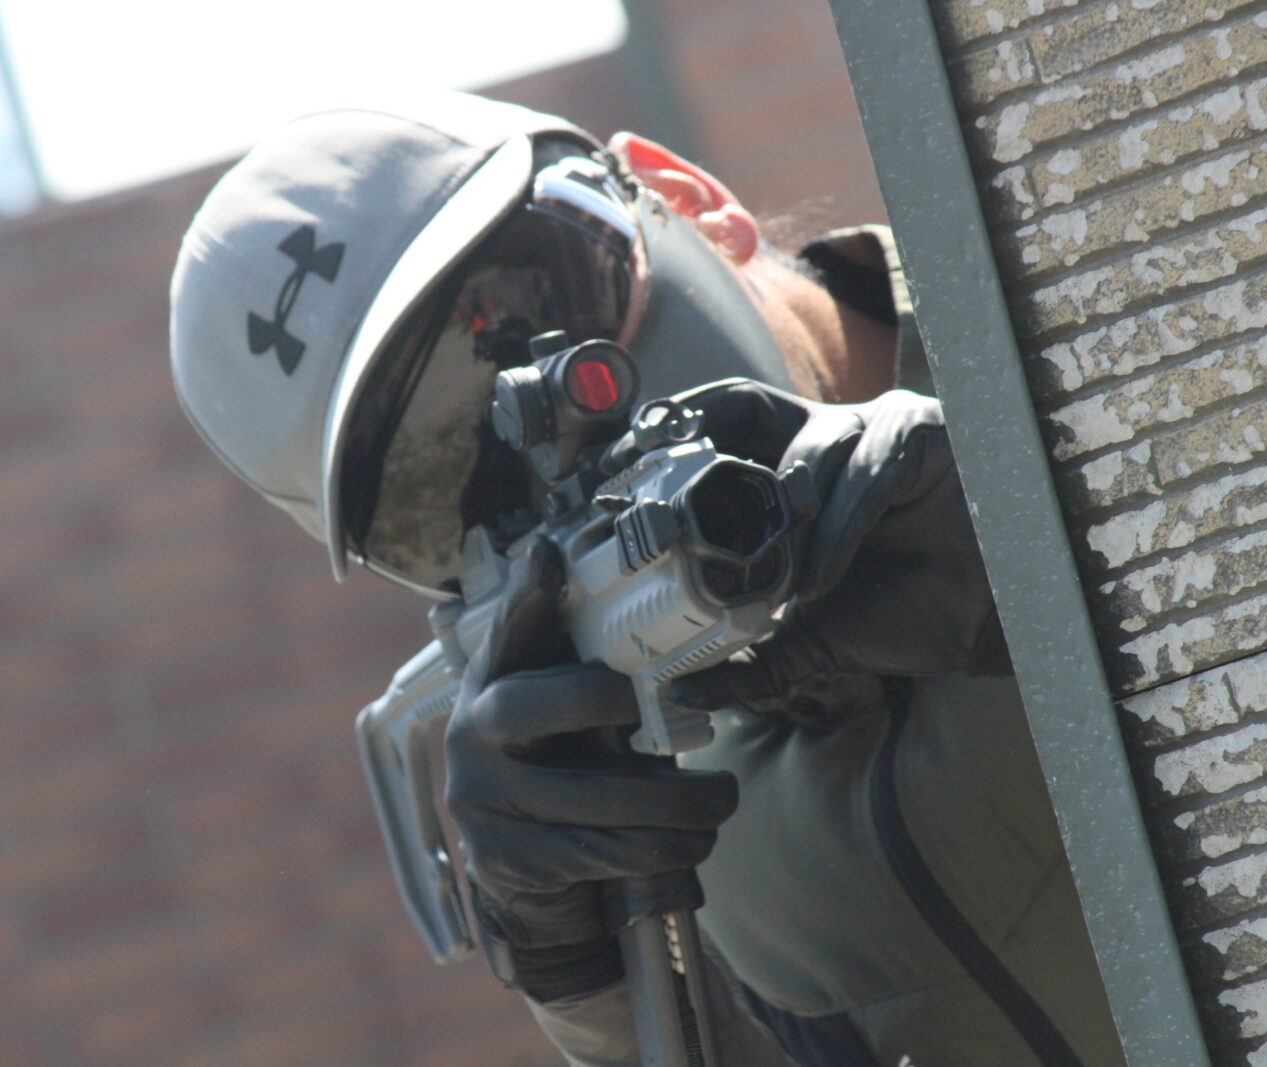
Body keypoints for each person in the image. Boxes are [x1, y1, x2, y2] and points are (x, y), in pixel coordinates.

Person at [169, 91, 1126, 1066]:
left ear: (689, 197)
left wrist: (1070, 528)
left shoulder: (1099, 261)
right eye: (447, 487)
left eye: (541, 318)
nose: (555, 454)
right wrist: (620, 1011)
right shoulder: (666, 840)